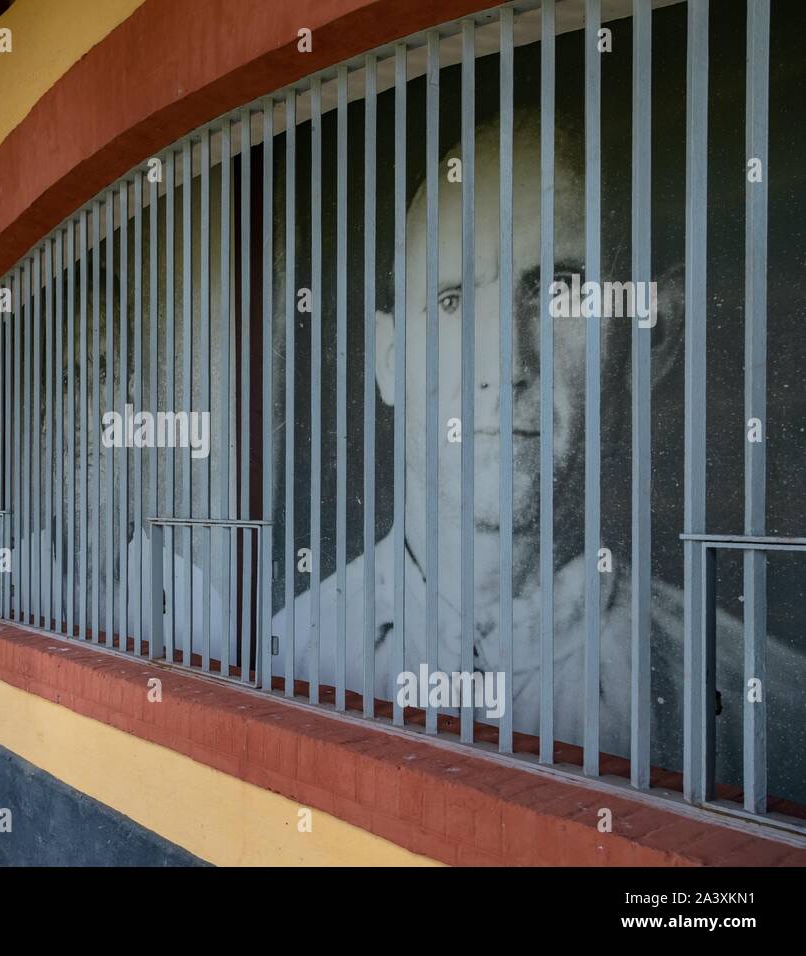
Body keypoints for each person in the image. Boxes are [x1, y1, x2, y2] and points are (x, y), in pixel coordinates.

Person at [276, 106, 806, 801]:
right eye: (452, 299)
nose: (505, 363)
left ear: (654, 335)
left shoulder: (766, 709)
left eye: (559, 290)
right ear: (389, 358)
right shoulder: (288, 657)